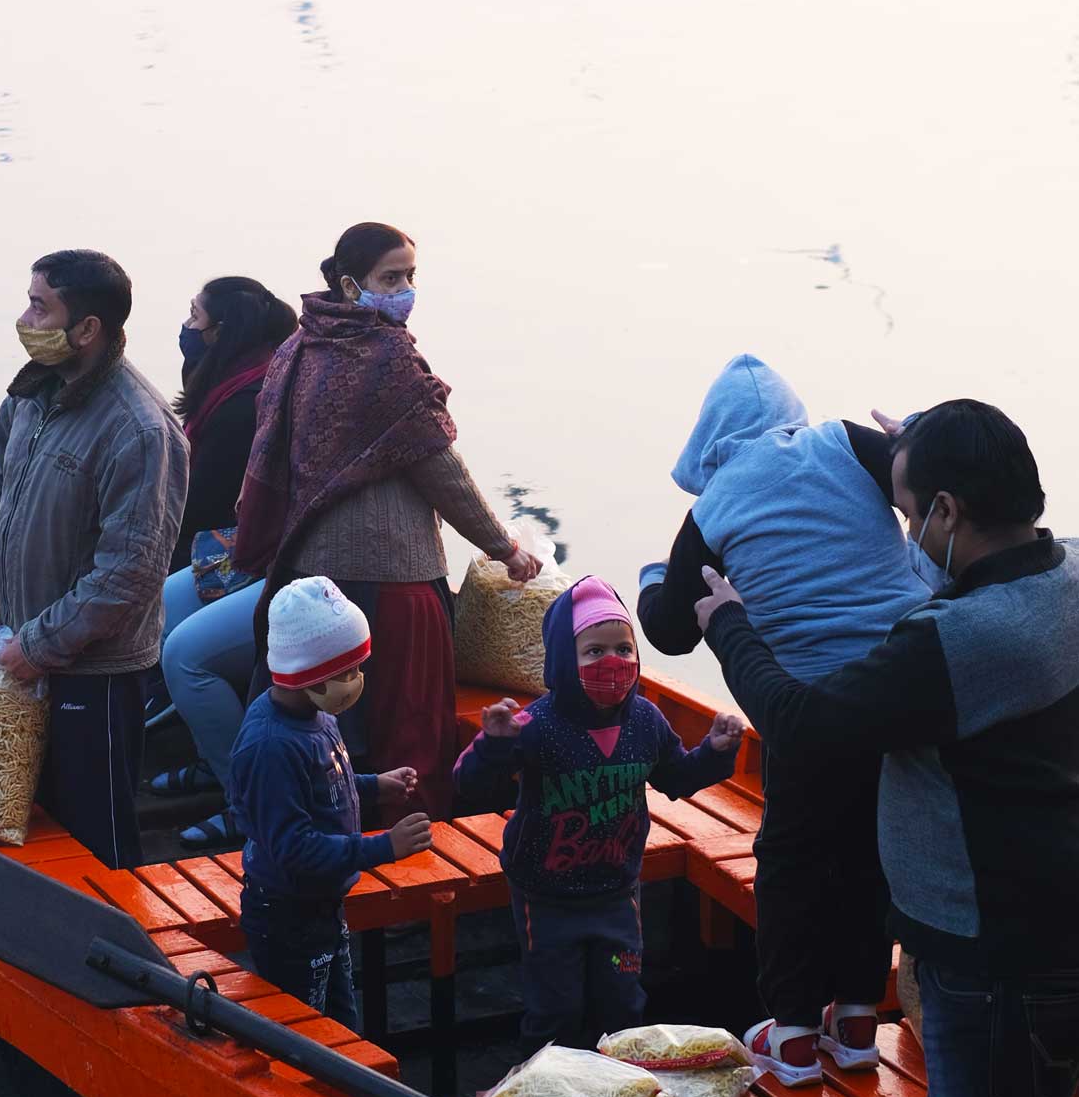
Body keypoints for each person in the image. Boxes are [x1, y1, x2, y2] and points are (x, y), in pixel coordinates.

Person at [694, 399, 1079, 1097]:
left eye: (908, 514)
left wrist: (728, 622)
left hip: (992, 961)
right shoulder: (1066, 579)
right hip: (1043, 923)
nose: (903, 534)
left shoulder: (958, 642)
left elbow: (799, 720)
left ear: (946, 512)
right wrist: (918, 441)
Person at [637, 355, 929, 1085]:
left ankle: (793, 1031)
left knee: (793, 864)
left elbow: (673, 632)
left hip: (800, 710)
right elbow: (918, 482)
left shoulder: (709, 509)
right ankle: (858, 1018)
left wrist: (650, 581)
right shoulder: (846, 443)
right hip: (894, 692)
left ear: (711, 439)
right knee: (870, 852)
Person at [232, 221, 542, 820]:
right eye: (390, 278)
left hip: (310, 578)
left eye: (410, 276)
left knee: (328, 734)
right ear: (353, 284)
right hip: (392, 585)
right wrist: (505, 548)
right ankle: (407, 869)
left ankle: (320, 842)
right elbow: (440, 469)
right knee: (407, 733)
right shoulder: (386, 355)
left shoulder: (299, 347)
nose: (403, 289)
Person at [0, 249, 188, 869]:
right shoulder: (30, 395)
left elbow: (129, 571)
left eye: (41, 306)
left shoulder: (139, 429)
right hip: (20, 649)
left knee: (96, 839)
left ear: (87, 329)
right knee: (33, 823)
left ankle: (123, 954)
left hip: (95, 673)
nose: (26, 318)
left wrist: (40, 646)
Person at [454, 576, 743, 1048]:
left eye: (623, 649)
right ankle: (545, 1096)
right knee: (555, 1010)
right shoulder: (536, 726)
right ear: (565, 660)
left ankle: (619, 1093)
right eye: (593, 652)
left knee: (622, 1003)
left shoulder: (646, 720)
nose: (612, 662)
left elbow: (675, 778)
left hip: (616, 896)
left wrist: (715, 751)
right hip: (546, 900)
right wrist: (493, 744)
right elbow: (467, 784)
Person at [229, 577, 432, 1028]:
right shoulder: (271, 746)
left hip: (322, 907)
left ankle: (348, 1092)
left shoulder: (316, 715)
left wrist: (374, 785)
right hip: (286, 917)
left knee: (342, 1023)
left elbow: (322, 787)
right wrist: (383, 847)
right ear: (305, 673)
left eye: (359, 668)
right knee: (306, 1032)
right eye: (347, 672)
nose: (356, 682)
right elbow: (294, 847)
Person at [147, 277, 299, 850]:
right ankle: (218, 759)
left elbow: (200, 504)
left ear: (221, 330)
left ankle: (250, 802)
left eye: (194, 315)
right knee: (166, 607)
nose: (186, 327)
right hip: (248, 546)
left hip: (284, 560)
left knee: (186, 654)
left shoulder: (248, 399)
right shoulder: (232, 382)